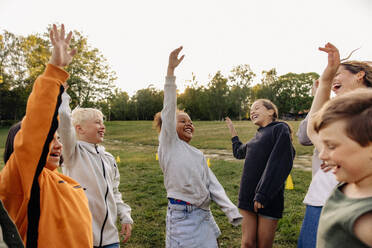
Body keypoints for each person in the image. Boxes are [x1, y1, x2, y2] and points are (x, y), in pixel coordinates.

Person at [0, 24, 92, 247]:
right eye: (49, 141)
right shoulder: (20, 181)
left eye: (58, 139)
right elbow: (36, 127)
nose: (57, 145)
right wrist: (54, 72)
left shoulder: (62, 179)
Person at [154, 46, 242, 248]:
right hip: (182, 218)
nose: (189, 124)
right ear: (167, 128)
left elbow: (212, 184)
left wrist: (230, 210)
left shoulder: (196, 154)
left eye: (191, 121)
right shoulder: (168, 145)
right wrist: (170, 73)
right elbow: (168, 110)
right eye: (182, 120)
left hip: (203, 214)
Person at [58, 89, 133, 247]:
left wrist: (125, 215)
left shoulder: (109, 158)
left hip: (110, 239)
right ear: (79, 129)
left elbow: (114, 192)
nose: (103, 126)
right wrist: (63, 96)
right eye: (97, 122)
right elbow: (64, 122)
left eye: (103, 122)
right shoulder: (73, 152)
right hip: (83, 238)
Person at [226, 99, 295, 248]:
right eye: (251, 110)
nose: (252, 112)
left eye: (257, 108)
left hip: (268, 196)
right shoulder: (256, 137)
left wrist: (263, 193)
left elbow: (280, 163)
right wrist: (233, 131)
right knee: (247, 243)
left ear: (271, 111)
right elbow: (238, 153)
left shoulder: (279, 129)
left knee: (263, 245)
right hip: (247, 195)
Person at [311, 89, 372, 247]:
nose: (322, 155)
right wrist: (325, 82)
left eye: (331, 146)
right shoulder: (349, 183)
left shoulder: (367, 220)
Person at [296, 80, 338, 248]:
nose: (335, 80)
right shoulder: (330, 106)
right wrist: (319, 97)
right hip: (320, 197)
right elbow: (306, 137)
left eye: (339, 74)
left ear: (359, 75)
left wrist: (339, 158)